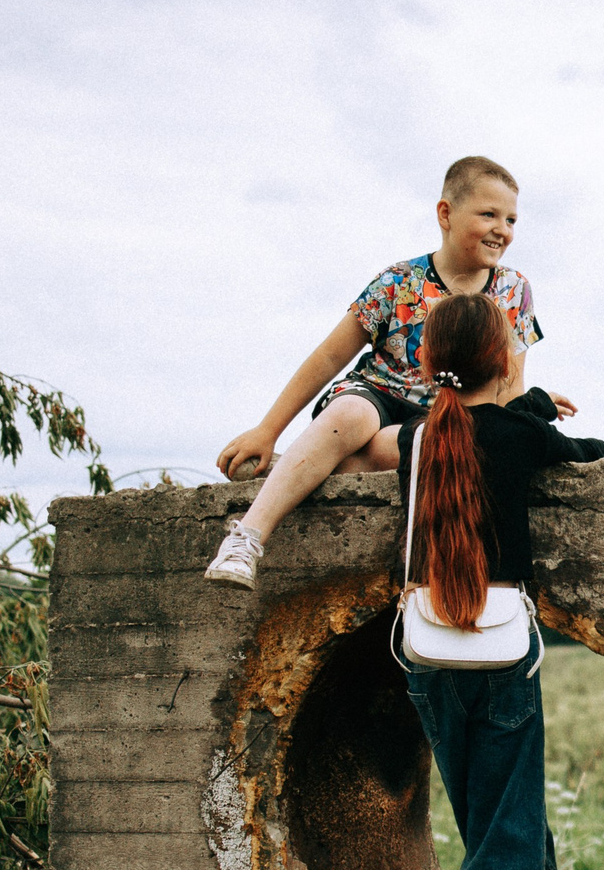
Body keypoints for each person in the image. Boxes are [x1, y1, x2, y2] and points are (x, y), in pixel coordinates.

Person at [393, 292, 604, 870]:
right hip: (498, 656)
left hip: (427, 657)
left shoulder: (416, 439)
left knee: (503, 827)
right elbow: (594, 455)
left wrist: (526, 407)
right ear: (505, 359)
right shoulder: (517, 433)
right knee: (507, 834)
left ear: (428, 363)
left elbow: (481, 431)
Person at [205, 156, 559, 588]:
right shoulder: (398, 281)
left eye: (511, 219)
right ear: (445, 214)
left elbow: (509, 383)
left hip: (444, 418)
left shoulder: (513, 290)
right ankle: (247, 538)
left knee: (429, 445)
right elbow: (329, 357)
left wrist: (522, 420)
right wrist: (267, 430)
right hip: (376, 396)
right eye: (488, 214)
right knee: (351, 416)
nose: (502, 229)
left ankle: (310, 461)